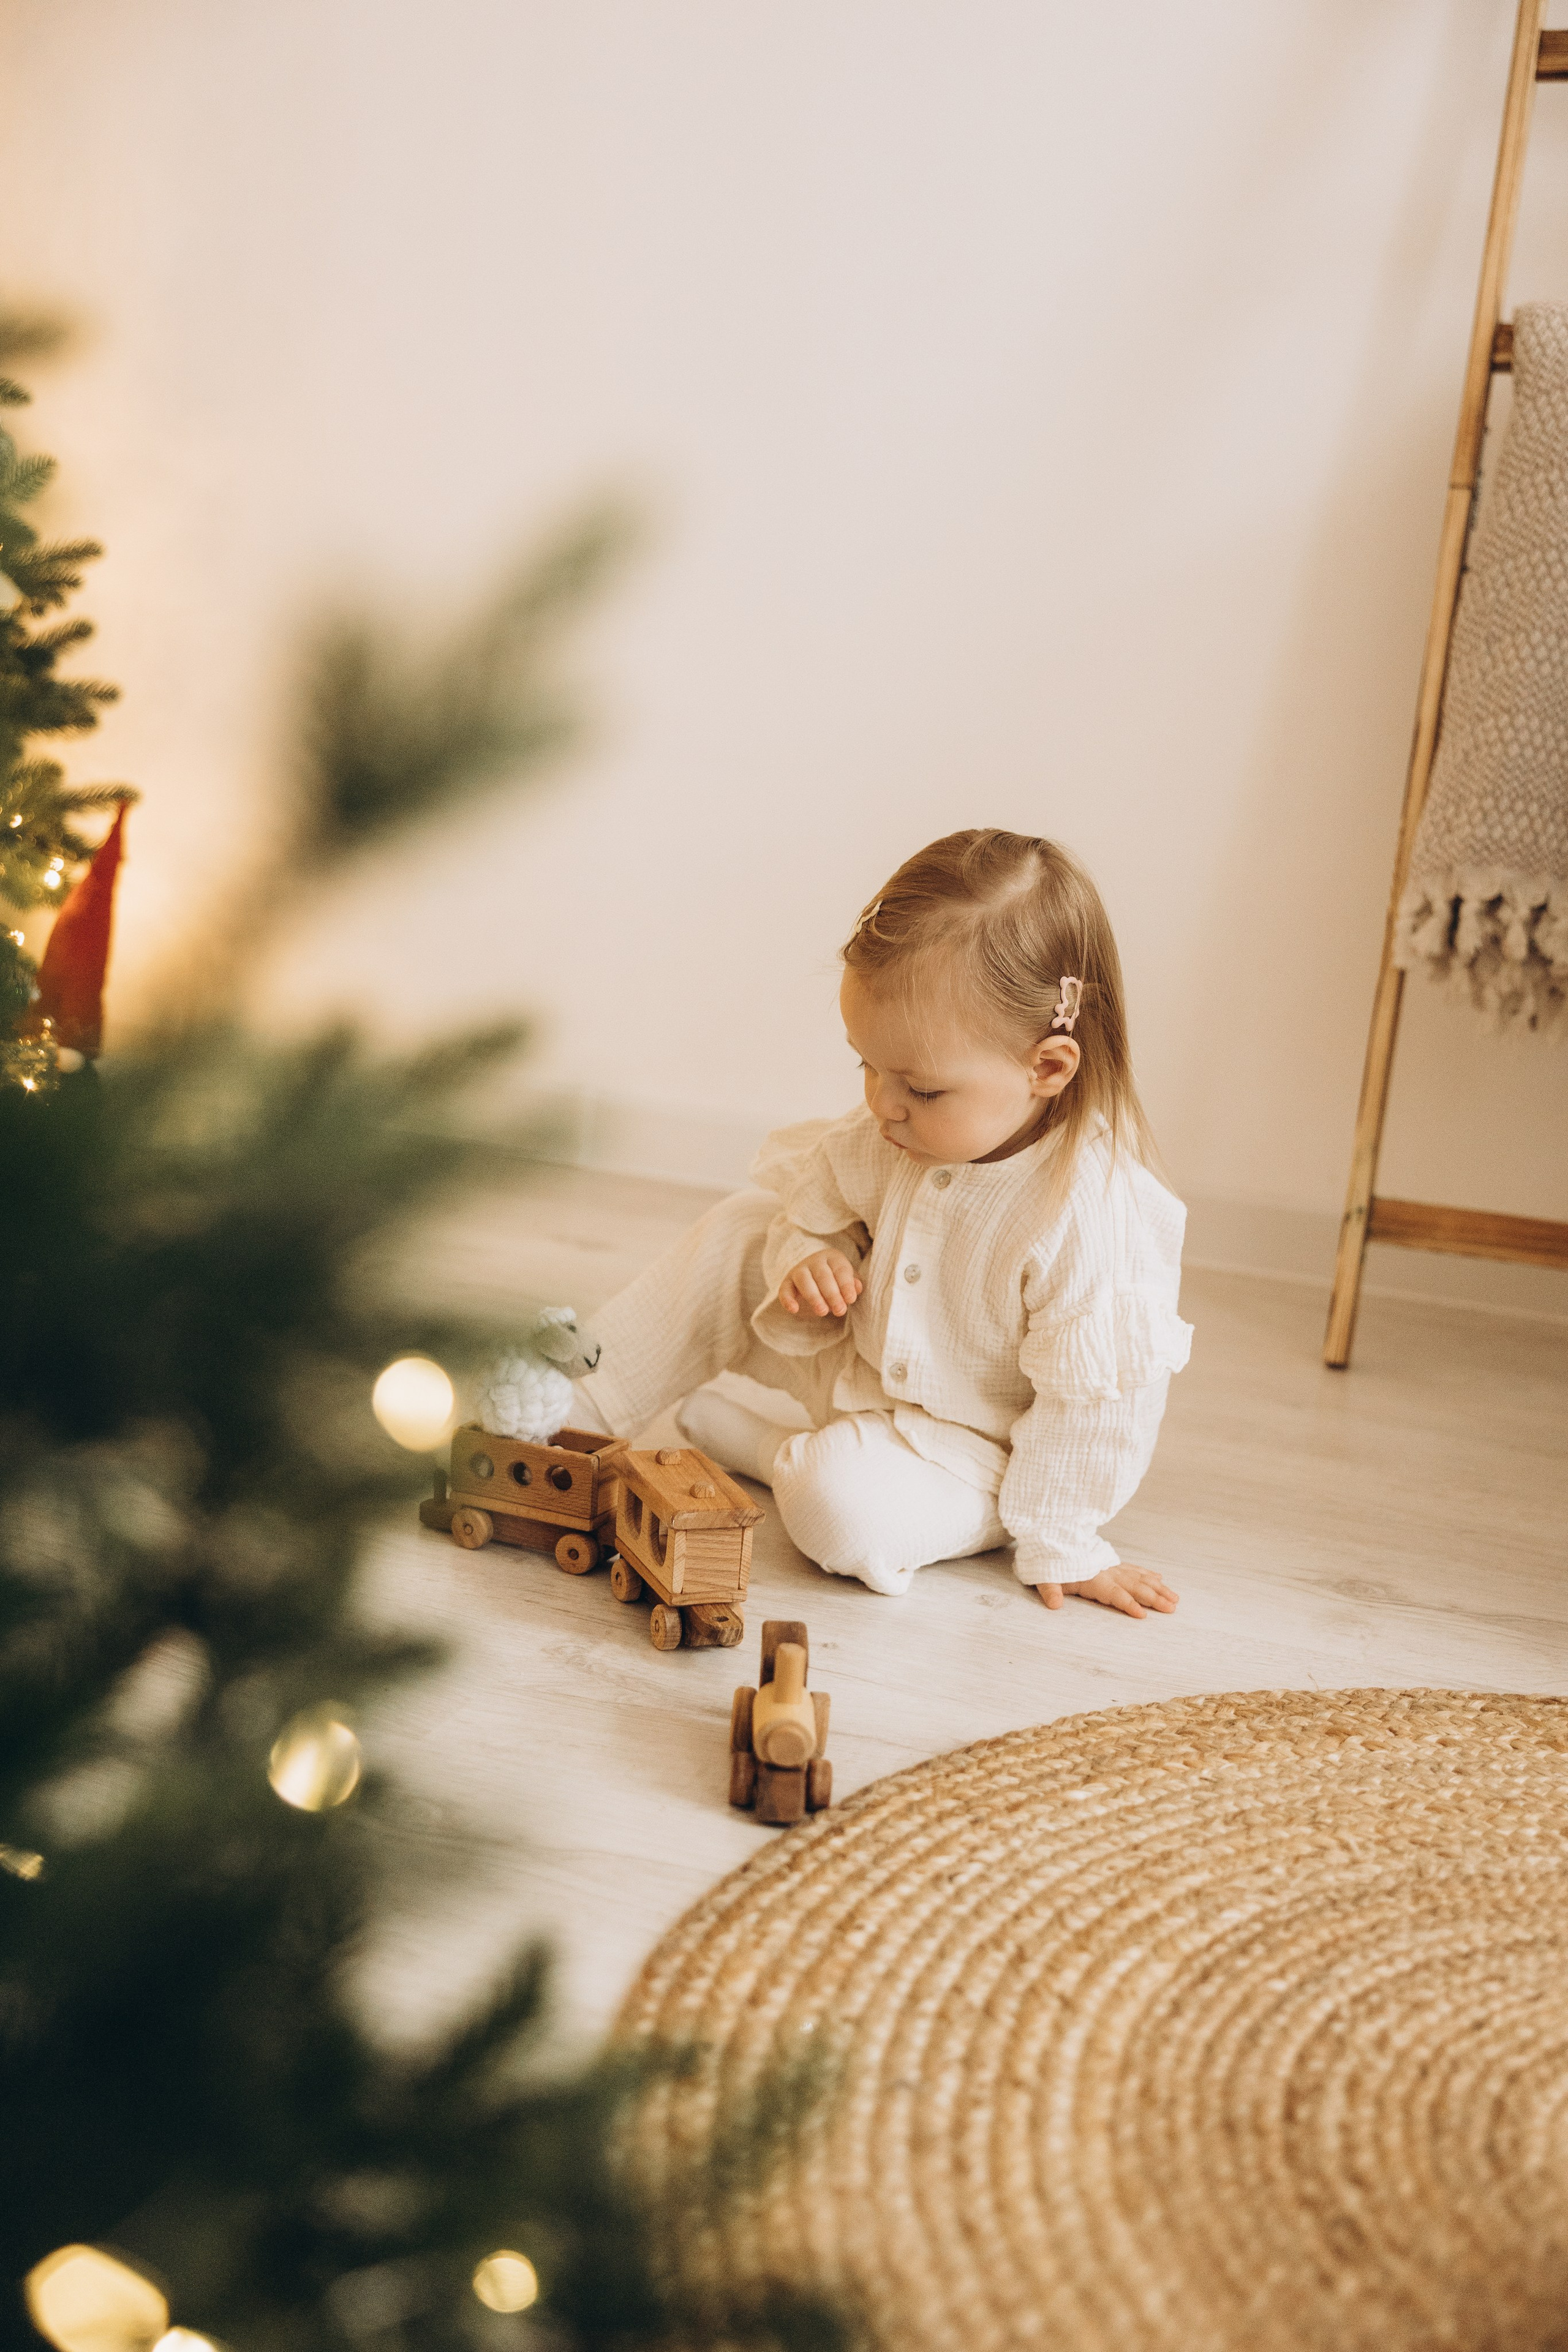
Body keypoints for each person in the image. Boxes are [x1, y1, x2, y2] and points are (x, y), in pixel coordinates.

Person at [575, 828, 1191, 1615]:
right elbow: (816, 1199)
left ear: (1047, 1068)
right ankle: (577, 1404)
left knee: (838, 1510)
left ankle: (761, 1447)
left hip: (973, 1451)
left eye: (920, 1089)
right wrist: (812, 1251)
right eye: (864, 1066)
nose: (880, 1104)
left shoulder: (1088, 1215)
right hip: (861, 1372)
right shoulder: (891, 1131)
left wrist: (1062, 1540)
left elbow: (1096, 1411)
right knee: (743, 1229)